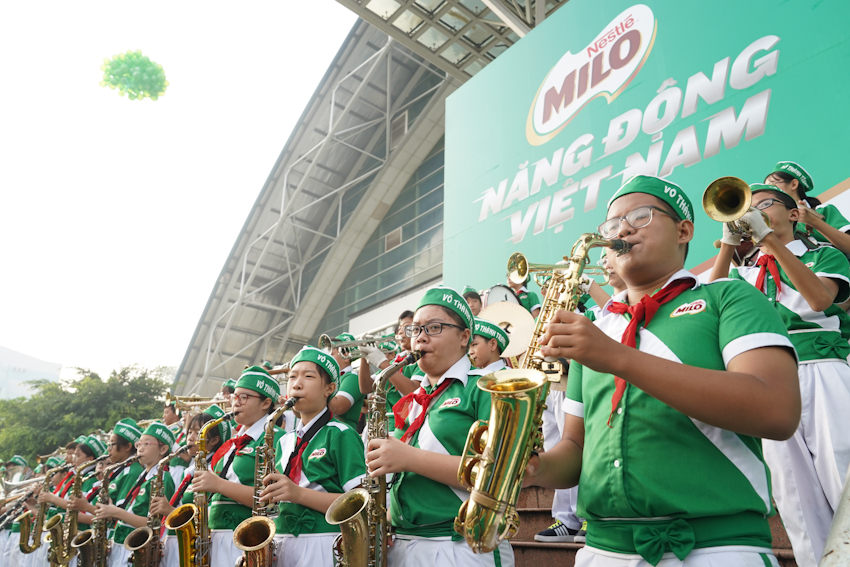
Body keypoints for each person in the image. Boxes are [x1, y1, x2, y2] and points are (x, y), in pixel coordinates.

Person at [526, 175, 801, 567]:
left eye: (640, 216)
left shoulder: (728, 296)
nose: (621, 229)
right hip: (602, 551)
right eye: (612, 224)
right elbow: (575, 450)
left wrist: (616, 357)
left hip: (716, 549)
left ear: (684, 230)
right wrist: (536, 468)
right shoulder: (597, 330)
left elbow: (777, 411)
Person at [710, 183, 850, 567]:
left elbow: (820, 299)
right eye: (747, 208)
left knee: (842, 473)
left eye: (765, 204)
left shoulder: (823, 254)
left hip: (824, 370)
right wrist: (726, 245)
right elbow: (711, 302)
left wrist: (771, 241)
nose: (753, 212)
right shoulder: (744, 272)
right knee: (793, 495)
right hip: (772, 381)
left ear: (793, 214)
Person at [366, 286, 514, 567]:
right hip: (403, 544)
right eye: (416, 330)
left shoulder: (486, 387)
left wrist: (407, 458)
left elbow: (498, 477)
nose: (420, 337)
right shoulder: (415, 399)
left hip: (462, 546)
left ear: (464, 337)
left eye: (434, 327)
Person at [258, 346, 366, 567]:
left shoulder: (341, 434)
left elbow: (359, 506)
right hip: (282, 542)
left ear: (330, 388)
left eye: (308, 376)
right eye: (292, 377)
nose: (296, 384)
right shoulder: (283, 441)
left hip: (324, 544)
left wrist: (297, 493)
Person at [192, 366, 282, 567]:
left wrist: (219, 485)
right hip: (214, 539)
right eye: (235, 396)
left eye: (244, 397)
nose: (236, 402)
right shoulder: (229, 445)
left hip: (246, 540)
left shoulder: (278, 439)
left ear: (266, 403)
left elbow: (274, 502)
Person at [153, 405, 227, 567]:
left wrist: (170, 511)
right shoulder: (192, 470)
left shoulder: (213, 470)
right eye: (189, 432)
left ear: (214, 440)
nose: (191, 437)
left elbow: (204, 517)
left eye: (197, 432)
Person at [96, 422, 176, 567]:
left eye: (147, 443)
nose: (140, 448)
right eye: (139, 444)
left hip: (136, 550)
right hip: (121, 545)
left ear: (163, 449)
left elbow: (154, 525)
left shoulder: (162, 478)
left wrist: (116, 512)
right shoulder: (143, 475)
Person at [357, 310, 423, 432]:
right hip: (381, 427)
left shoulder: (422, 360)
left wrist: (382, 362)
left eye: (407, 327)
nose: (401, 331)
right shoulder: (394, 363)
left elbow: (413, 391)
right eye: (400, 328)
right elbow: (365, 387)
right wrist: (364, 354)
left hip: (405, 427)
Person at [765, 161, 850, 254]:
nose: (770, 192)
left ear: (793, 184)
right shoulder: (774, 224)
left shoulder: (823, 210)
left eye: (772, 185)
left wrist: (812, 221)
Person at [326, 333, 366, 431]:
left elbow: (338, 407)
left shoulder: (353, 377)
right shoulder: (330, 379)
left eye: (330, 354)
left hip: (342, 435)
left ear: (346, 356)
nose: (325, 358)